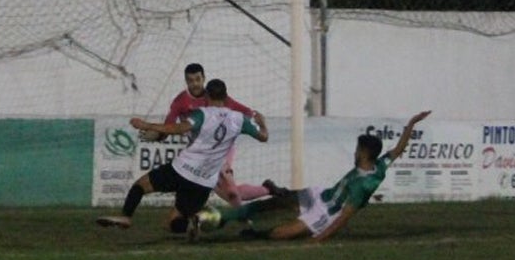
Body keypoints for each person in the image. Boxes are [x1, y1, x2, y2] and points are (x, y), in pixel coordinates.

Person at [192, 110, 431, 242]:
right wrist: (411, 123)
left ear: (365, 154)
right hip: (320, 194)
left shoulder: (366, 185)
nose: (355, 153)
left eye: (358, 150)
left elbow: (344, 217)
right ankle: (224, 216)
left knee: (281, 235)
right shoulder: (379, 164)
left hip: (325, 215)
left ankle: (257, 234)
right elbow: (398, 150)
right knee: (273, 203)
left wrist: (320, 239)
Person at [96, 78, 268, 233]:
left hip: (181, 170)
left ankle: (126, 216)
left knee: (139, 187)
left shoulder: (203, 114)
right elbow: (263, 137)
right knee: (173, 223)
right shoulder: (240, 120)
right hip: (204, 182)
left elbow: (178, 128)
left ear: (207, 96)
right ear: (226, 96)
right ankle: (199, 222)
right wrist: (262, 124)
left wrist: (147, 125)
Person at [144, 63, 283, 206]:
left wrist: (252, 120)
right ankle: (267, 189)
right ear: (186, 81)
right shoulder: (180, 101)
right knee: (229, 193)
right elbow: (169, 126)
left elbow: (246, 111)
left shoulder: (215, 94)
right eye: (190, 80)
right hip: (200, 152)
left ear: (203, 78)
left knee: (230, 192)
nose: (195, 84)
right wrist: (158, 135)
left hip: (222, 148)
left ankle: (242, 218)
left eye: (198, 79)